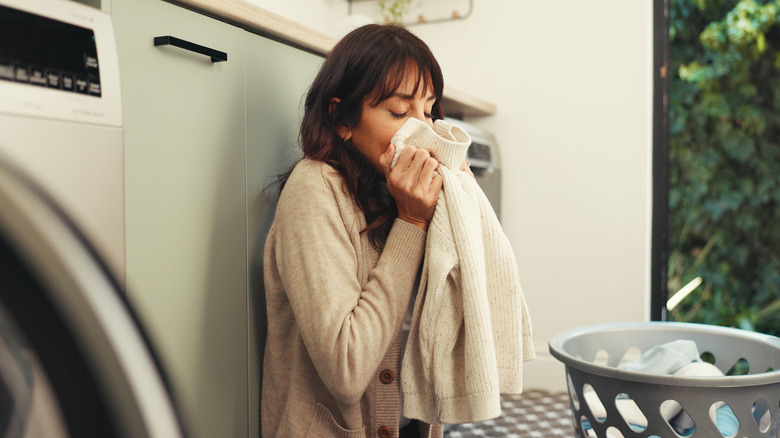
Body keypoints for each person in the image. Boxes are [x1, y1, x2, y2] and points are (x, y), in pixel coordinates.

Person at [261, 24, 462, 438]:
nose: (422, 131)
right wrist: (412, 224)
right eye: (400, 112)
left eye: (429, 111)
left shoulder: (401, 189)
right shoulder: (314, 189)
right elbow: (347, 369)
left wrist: (459, 209)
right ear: (342, 119)